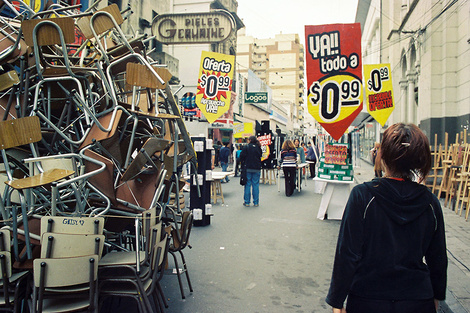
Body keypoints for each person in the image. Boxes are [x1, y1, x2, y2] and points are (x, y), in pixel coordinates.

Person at [326, 123, 447, 313]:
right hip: (416, 299)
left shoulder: (363, 196)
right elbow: (438, 257)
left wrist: (337, 301)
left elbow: (347, 253)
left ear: (383, 157)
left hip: (367, 298)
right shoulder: (430, 203)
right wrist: (437, 295)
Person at [239, 136, 262, 207]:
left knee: (247, 184)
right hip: (257, 168)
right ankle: (256, 202)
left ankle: (247, 202)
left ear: (250, 140)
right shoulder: (258, 147)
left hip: (248, 168)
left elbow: (241, 157)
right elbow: (260, 156)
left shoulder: (246, 147)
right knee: (255, 185)